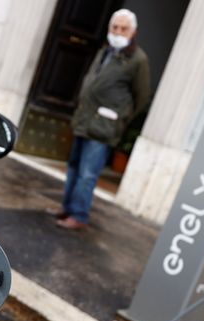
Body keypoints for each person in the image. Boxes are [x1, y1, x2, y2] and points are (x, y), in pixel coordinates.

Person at [51, 8, 150, 230]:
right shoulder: (105, 51)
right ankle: (67, 207)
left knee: (88, 173)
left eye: (123, 28)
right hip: (85, 120)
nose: (117, 32)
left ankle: (79, 215)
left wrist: (120, 117)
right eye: (114, 27)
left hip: (104, 126)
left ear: (133, 32)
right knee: (74, 167)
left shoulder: (137, 59)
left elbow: (141, 96)